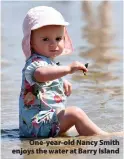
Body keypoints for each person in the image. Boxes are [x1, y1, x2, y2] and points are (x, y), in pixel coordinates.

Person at [19, 6, 108, 138]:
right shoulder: (34, 62)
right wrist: (67, 69)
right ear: (31, 42)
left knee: (71, 118)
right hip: (36, 126)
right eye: (45, 39)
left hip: (44, 122)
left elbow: (48, 76)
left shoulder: (48, 61)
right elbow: (41, 74)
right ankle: (103, 136)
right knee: (75, 113)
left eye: (58, 38)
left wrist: (61, 81)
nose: (53, 44)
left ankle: (86, 134)